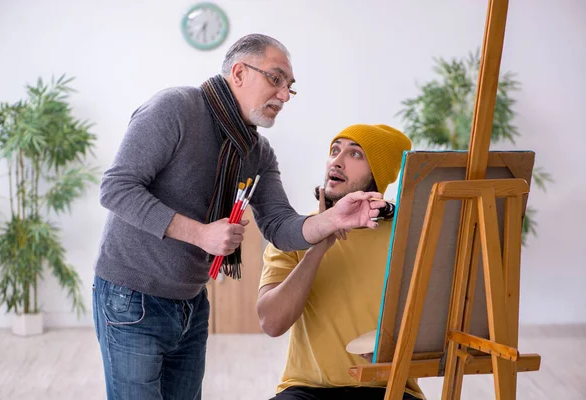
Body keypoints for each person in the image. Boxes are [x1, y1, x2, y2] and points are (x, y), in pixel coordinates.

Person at [92, 34, 386, 400]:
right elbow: (116, 188)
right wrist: (200, 234)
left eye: (289, 87)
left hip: (191, 301)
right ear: (239, 72)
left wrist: (333, 219)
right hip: (131, 296)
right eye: (275, 79)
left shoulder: (258, 152)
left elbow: (280, 226)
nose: (283, 95)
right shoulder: (175, 108)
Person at [257, 124, 425, 400]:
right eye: (335, 150)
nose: (337, 160)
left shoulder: (410, 236)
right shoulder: (292, 234)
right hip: (306, 389)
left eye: (355, 154)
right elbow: (271, 323)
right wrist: (317, 247)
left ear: (378, 173)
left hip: (388, 390)